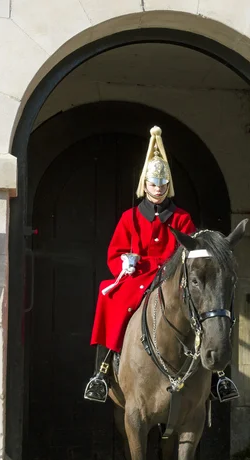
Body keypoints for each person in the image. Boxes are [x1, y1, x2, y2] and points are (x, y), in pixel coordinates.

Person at [84, 126, 196, 402]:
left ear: (169, 185)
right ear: (144, 184)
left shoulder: (182, 218)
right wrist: (125, 262)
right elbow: (115, 252)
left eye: (162, 184)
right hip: (139, 276)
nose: (157, 189)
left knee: (205, 307)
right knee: (108, 296)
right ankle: (103, 370)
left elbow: (190, 251)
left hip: (172, 278)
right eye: (153, 184)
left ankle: (217, 376)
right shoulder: (129, 217)